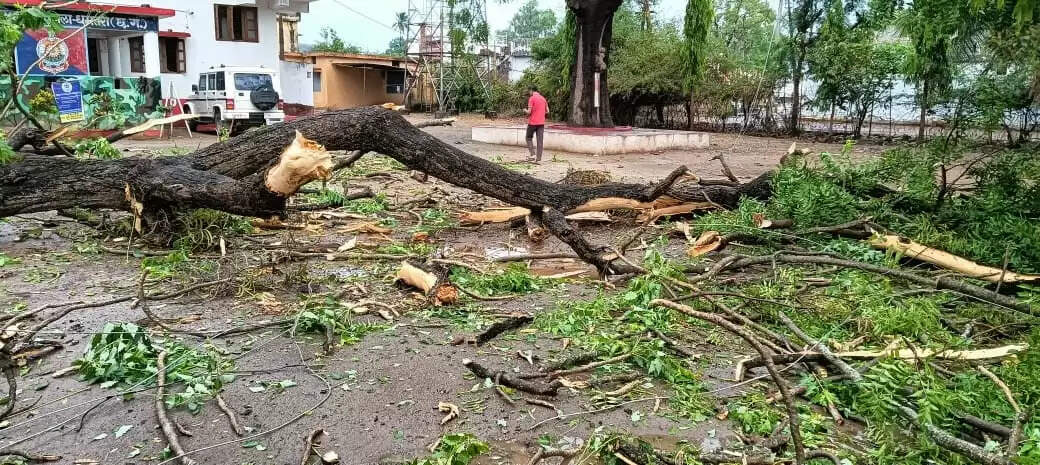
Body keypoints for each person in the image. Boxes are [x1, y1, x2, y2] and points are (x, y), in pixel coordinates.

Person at [525, 86, 548, 163]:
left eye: (529, 91)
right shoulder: (543, 98)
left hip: (533, 122)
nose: (529, 93)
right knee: (540, 141)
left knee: (528, 138)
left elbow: (529, 112)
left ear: (531, 90)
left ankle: (532, 154)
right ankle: (538, 159)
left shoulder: (532, 98)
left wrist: (524, 110)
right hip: (541, 123)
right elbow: (547, 111)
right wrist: (540, 113)